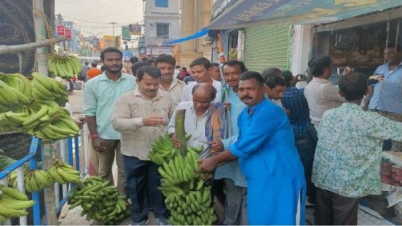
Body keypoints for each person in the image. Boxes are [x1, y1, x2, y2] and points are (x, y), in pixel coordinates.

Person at [197, 71, 306, 225]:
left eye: (250, 89)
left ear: (263, 89)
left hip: (281, 179)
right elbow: (240, 144)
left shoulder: (269, 112)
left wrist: (213, 161)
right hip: (258, 180)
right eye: (241, 90)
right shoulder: (244, 115)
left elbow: (243, 147)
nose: (245, 93)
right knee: (260, 221)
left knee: (284, 220)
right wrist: (213, 163)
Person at [312, 73, 402, 225]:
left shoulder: (328, 115)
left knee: (322, 219)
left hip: (324, 177)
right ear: (367, 91)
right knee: (344, 220)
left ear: (340, 93)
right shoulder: (372, 121)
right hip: (347, 185)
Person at [111, 66, 174, 226]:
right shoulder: (126, 99)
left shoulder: (167, 98)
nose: (152, 88)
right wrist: (141, 121)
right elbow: (117, 123)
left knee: (159, 185)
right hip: (134, 151)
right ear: (138, 81)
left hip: (160, 152)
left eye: (155, 84)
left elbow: (174, 121)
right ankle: (139, 218)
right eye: (148, 84)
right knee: (135, 187)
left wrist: (173, 135)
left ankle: (161, 215)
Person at [83, 47, 136, 197]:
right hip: (103, 134)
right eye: (110, 60)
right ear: (103, 62)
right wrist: (94, 136)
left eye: (117, 59)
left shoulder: (132, 82)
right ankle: (108, 201)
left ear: (122, 61)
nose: (114, 63)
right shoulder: (92, 84)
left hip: (127, 135)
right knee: (103, 171)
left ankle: (122, 201)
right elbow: (90, 111)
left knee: (124, 172)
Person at [213, 60, 248, 225]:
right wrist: (219, 107)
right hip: (227, 148)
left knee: (247, 190)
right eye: (227, 74)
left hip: (246, 147)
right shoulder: (225, 93)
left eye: (235, 73)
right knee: (231, 189)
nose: (231, 77)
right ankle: (230, 222)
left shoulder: (250, 95)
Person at [282, 70, 315, 206]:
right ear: (290, 80)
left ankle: (292, 197)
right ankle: (305, 197)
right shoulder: (302, 93)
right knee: (305, 169)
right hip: (304, 134)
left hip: (289, 136)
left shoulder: (279, 95)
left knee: (291, 168)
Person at [169, 83, 226, 159]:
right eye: (196, 100)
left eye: (204, 102)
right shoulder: (182, 107)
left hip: (205, 159)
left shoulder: (216, 112)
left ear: (212, 99)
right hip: (182, 158)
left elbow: (221, 138)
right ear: (192, 95)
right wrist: (173, 135)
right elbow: (171, 126)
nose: (199, 105)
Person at [366, 44, 402, 151]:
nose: (388, 56)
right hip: (375, 108)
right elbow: (372, 86)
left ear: (400, 53)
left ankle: (395, 165)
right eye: (386, 54)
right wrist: (366, 102)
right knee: (373, 136)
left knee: (397, 139)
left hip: (394, 110)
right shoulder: (380, 68)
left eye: (392, 53)